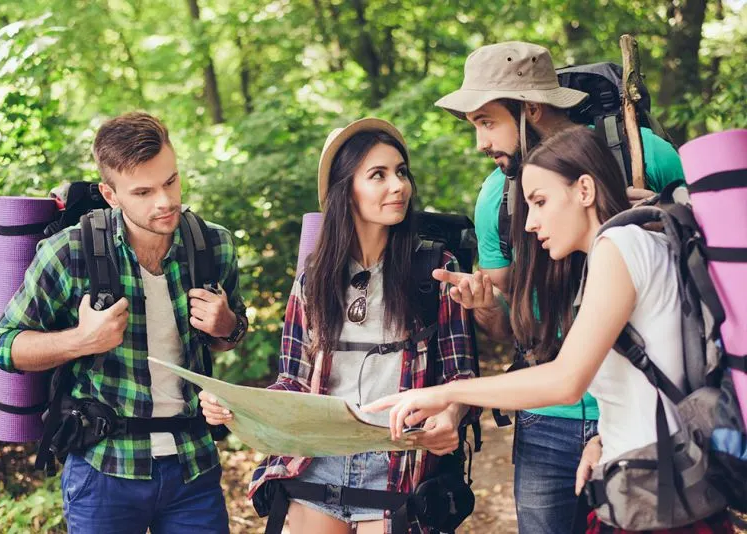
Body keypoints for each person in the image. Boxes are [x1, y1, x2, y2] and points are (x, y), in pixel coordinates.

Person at [365, 126, 733, 533]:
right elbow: (650, 376)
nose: (530, 223)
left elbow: (566, 381)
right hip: (656, 483)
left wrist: (442, 392)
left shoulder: (619, 247)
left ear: (585, 191)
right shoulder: (640, 243)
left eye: (540, 202)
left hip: (661, 500)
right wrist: (603, 440)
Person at [428, 41, 687, 533]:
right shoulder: (496, 198)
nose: (481, 143)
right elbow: (512, 327)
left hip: (650, 416)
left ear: (530, 108)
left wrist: (659, 213)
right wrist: (485, 308)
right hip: (551, 419)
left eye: (487, 121)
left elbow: (705, 264)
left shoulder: (644, 154)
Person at [200, 118, 477, 534]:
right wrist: (237, 407)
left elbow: (462, 375)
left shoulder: (435, 270)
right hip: (316, 460)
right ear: (345, 190)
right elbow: (292, 382)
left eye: (401, 172)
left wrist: (450, 416)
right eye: (378, 175)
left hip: (397, 463)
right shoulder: (314, 279)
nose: (398, 185)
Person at [0, 112, 248, 534]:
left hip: (193, 465)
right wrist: (82, 340)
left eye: (171, 181)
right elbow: (5, 346)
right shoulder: (68, 252)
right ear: (111, 195)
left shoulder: (213, 244)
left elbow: (232, 337)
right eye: (143, 192)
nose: (164, 201)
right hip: (103, 469)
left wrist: (226, 326)